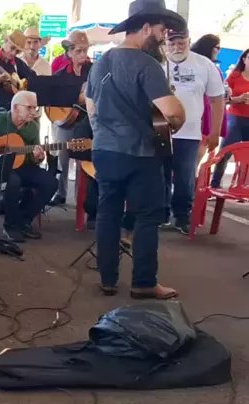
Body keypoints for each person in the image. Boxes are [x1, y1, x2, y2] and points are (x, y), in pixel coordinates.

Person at [85, 0, 186, 300]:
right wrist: (174, 123)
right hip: (141, 153)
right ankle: (143, 283)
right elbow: (172, 112)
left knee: (108, 213)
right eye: (161, 30)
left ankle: (107, 280)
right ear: (145, 27)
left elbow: (91, 106)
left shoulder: (100, 62)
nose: (164, 36)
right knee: (146, 217)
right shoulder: (147, 64)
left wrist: (105, 133)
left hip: (105, 150)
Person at [0, 91, 58, 243]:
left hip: (23, 166)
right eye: (29, 108)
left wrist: (38, 157)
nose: (34, 112)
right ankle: (10, 226)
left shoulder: (33, 127)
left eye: (35, 108)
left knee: (50, 182)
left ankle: (24, 220)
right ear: (16, 108)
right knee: (13, 181)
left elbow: (34, 157)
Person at [162, 29, 225, 234]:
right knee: (159, 174)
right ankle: (160, 214)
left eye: (181, 43)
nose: (176, 47)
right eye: (172, 43)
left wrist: (215, 132)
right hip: (158, 129)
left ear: (189, 41)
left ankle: (182, 215)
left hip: (189, 132)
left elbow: (217, 100)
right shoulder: (157, 62)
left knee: (185, 177)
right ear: (165, 43)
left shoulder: (204, 65)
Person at [49, 31, 92, 207]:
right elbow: (51, 99)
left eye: (85, 50)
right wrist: (75, 98)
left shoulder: (93, 71)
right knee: (62, 156)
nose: (83, 54)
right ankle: (60, 193)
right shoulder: (60, 75)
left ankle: (83, 198)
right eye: (78, 51)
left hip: (87, 121)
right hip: (65, 121)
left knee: (85, 159)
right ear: (69, 52)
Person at [210, 48, 249, 188]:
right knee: (225, 152)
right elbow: (223, 98)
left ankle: (242, 186)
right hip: (235, 118)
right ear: (244, 59)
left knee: (247, 155)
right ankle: (215, 184)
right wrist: (237, 99)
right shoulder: (234, 76)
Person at [191, 34, 228, 168]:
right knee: (194, 160)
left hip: (202, 112)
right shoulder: (208, 67)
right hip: (203, 113)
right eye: (217, 47)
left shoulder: (194, 64)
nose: (219, 51)